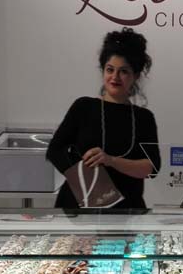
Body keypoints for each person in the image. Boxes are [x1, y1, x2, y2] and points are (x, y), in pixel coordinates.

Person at [46, 28, 161, 209]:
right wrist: (87, 179)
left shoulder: (143, 118)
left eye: (123, 71)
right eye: (110, 69)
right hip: (80, 207)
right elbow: (54, 151)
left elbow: (151, 168)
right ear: (103, 71)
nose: (115, 77)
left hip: (127, 209)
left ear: (136, 76)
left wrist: (111, 160)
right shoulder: (83, 107)